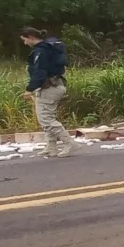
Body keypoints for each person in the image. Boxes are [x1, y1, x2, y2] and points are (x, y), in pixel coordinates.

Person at [20, 27, 78, 158]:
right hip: (54, 85)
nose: (25, 43)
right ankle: (51, 147)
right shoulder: (48, 48)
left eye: (25, 40)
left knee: (46, 119)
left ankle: (69, 143)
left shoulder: (41, 51)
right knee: (45, 118)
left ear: (31, 37)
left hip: (49, 88)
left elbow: (39, 72)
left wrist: (29, 89)